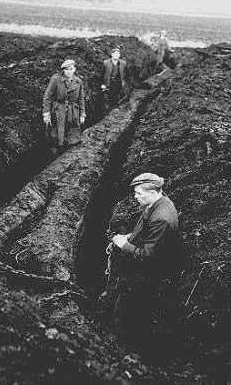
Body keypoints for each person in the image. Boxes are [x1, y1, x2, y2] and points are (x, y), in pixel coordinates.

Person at [105, 173, 184, 343]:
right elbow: (145, 230)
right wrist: (129, 236)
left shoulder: (162, 218)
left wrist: (123, 244)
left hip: (150, 275)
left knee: (131, 310)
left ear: (154, 191)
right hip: (144, 268)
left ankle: (125, 344)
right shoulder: (155, 203)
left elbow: (148, 256)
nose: (135, 197)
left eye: (139, 193)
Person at [43, 59, 86, 156]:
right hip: (58, 110)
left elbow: (81, 99)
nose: (69, 71)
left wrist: (83, 114)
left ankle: (67, 154)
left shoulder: (78, 82)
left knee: (71, 133)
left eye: (71, 69)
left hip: (73, 111)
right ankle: (54, 156)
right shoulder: (56, 79)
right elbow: (47, 96)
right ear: (63, 70)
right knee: (56, 134)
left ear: (74, 69)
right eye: (66, 69)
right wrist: (46, 113)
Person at [100, 46, 128, 112]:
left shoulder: (123, 63)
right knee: (107, 97)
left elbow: (127, 74)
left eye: (117, 54)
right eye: (114, 54)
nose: (116, 55)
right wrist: (102, 84)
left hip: (118, 83)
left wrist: (124, 82)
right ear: (112, 54)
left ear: (119, 55)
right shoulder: (105, 63)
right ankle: (106, 112)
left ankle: (114, 109)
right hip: (108, 83)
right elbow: (101, 75)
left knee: (116, 96)